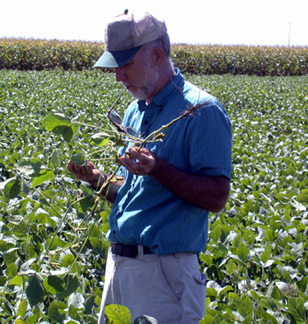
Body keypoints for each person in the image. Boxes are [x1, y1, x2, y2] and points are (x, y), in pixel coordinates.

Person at [66, 10, 232, 324]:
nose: (118, 76)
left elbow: (217, 197)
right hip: (120, 267)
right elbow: (133, 195)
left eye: (126, 64)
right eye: (116, 66)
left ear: (157, 55)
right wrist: (94, 179)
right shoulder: (133, 113)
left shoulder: (201, 111)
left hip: (164, 274)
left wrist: (159, 168)